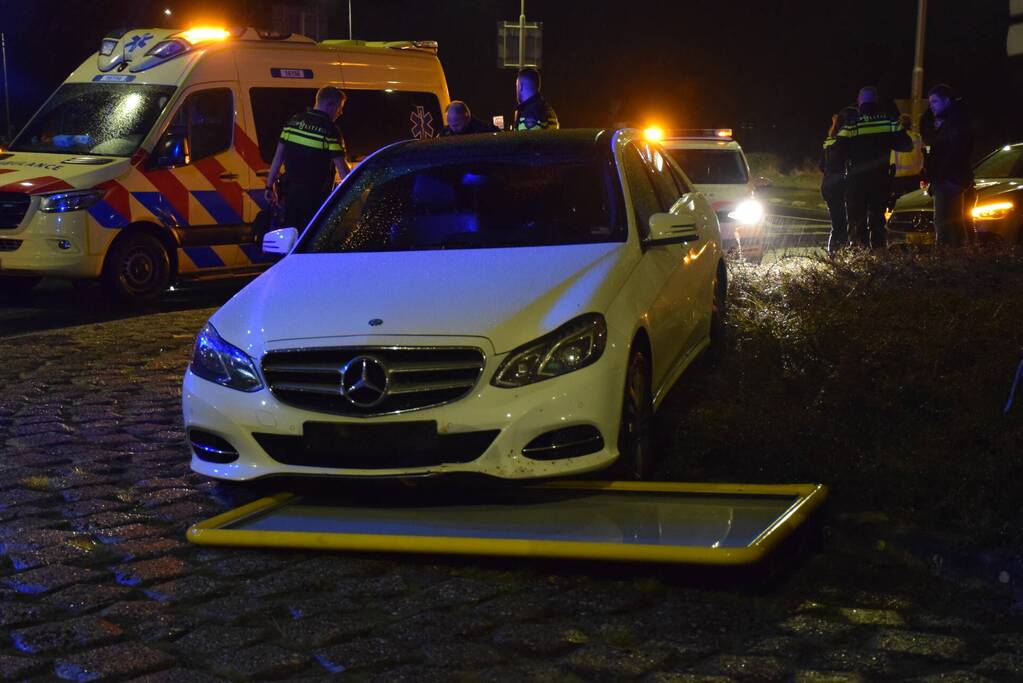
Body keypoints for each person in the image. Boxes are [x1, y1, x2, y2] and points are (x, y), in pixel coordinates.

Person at [833, 86, 912, 248]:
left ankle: (862, 260)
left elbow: (836, 153)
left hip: (856, 183)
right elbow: (906, 145)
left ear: (859, 102)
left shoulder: (851, 126)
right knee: (878, 223)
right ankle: (878, 258)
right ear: (876, 101)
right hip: (881, 181)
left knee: (857, 223)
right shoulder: (889, 122)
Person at [264, 85, 349, 230]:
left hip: (290, 196)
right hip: (315, 200)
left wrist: (268, 186)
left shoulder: (294, 122)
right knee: (311, 239)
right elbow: (342, 171)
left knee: (291, 236)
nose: (340, 112)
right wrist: (354, 189)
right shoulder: (330, 129)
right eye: (339, 107)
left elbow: (278, 157)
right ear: (331, 104)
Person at [921, 84, 973, 246]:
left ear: (947, 101)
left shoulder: (955, 123)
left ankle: (945, 262)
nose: (932, 107)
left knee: (945, 224)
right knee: (951, 224)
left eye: (935, 102)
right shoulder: (950, 121)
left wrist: (941, 175)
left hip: (948, 180)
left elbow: (954, 152)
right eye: (930, 103)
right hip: (947, 179)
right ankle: (952, 260)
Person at [820, 109, 855, 254]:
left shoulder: (828, 141)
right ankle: (840, 254)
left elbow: (821, 165)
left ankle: (833, 253)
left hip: (827, 184)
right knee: (844, 222)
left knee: (837, 222)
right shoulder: (846, 142)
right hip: (840, 184)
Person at [890, 113, 924, 203]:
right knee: (912, 204)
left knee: (897, 205)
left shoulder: (894, 138)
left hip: (898, 178)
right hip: (914, 177)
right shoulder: (917, 137)